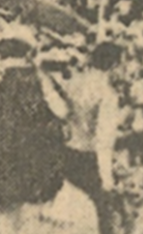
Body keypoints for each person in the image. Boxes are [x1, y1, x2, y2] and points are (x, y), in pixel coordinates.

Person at [50, 41, 125, 234]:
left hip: (66, 153)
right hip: (88, 159)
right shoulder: (107, 93)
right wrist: (107, 179)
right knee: (102, 215)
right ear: (114, 65)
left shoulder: (76, 82)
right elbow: (104, 140)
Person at [0, 22, 68, 232]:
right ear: (29, 51)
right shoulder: (40, 78)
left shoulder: (4, 77)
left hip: (5, 152)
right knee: (27, 215)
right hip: (33, 155)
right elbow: (63, 111)